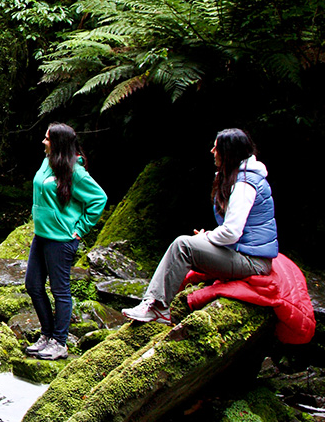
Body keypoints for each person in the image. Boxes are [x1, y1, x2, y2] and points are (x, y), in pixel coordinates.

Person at [123, 128, 276, 324]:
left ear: (228, 152)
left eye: (216, 147)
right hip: (246, 255)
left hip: (253, 263)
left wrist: (205, 239)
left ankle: (157, 307)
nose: (212, 151)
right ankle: (154, 304)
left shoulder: (245, 184)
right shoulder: (241, 177)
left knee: (183, 245)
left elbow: (232, 232)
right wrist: (208, 237)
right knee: (186, 245)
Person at [24, 123, 108, 361]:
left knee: (60, 291)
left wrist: (80, 229)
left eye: (47, 138)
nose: (43, 141)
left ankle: (60, 342)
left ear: (58, 143)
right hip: (41, 236)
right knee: (33, 285)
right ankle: (47, 334)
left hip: (61, 240)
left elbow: (99, 199)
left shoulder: (75, 171)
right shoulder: (46, 161)